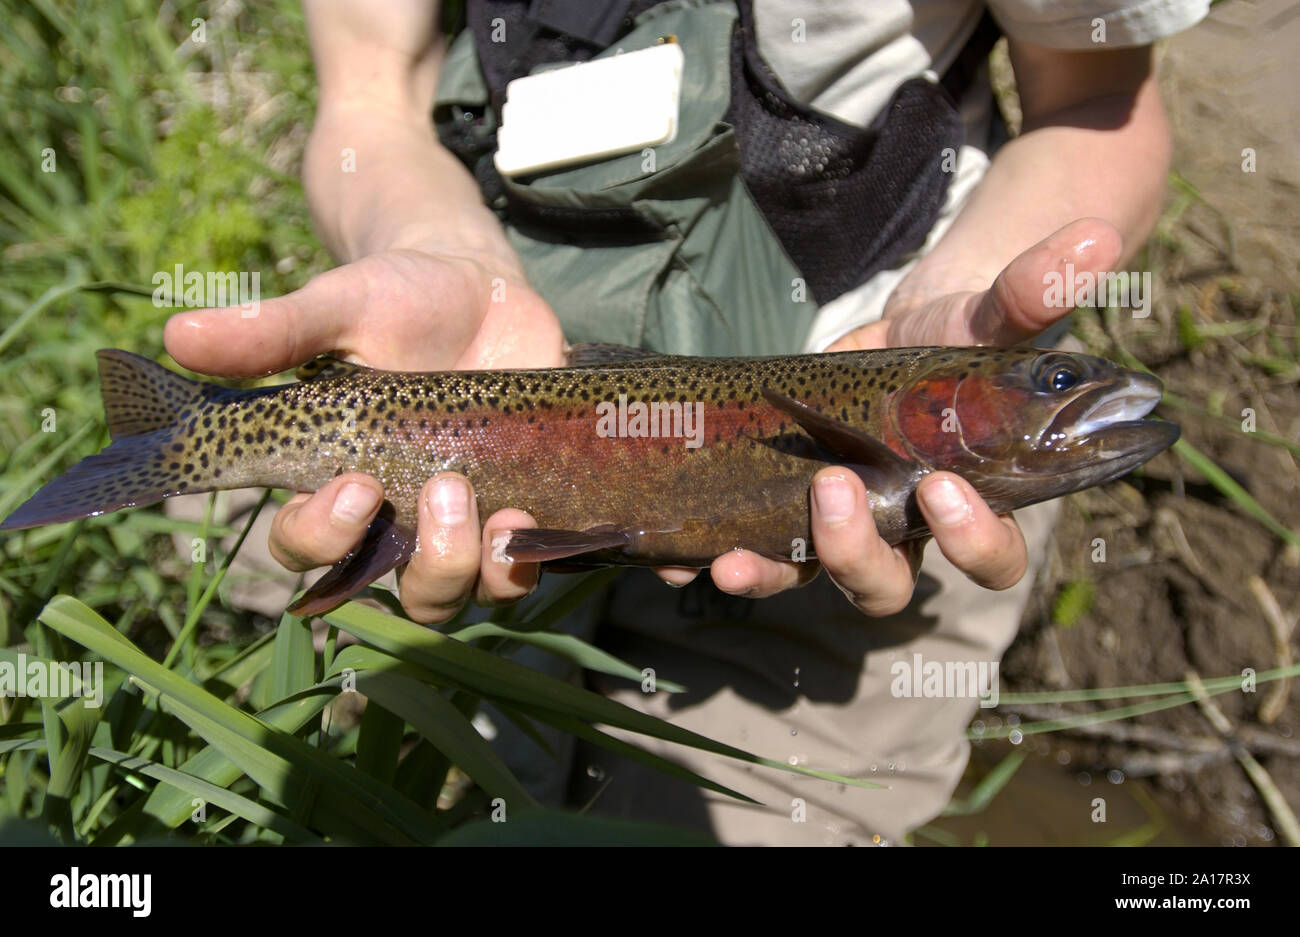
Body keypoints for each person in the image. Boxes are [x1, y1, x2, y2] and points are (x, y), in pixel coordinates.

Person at [163, 0, 1208, 843]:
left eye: (1050, 381)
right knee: (395, 794)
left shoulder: (907, 408)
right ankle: (189, 445)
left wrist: (978, 288)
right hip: (480, 370)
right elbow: (366, 91)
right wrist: (429, 242)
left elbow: (1096, 94)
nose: (1071, 393)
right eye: (1054, 380)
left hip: (837, 549)